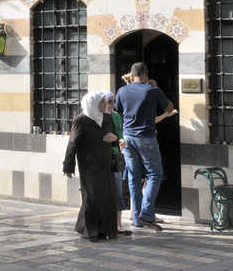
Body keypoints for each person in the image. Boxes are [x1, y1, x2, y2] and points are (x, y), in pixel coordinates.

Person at [116, 62, 175, 232]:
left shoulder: (122, 91)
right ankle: (147, 214)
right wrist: (154, 87)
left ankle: (137, 218)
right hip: (146, 137)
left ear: (131, 75)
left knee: (134, 177)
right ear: (146, 74)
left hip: (128, 137)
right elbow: (170, 107)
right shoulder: (152, 90)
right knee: (154, 174)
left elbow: (119, 109)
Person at [63, 91, 119, 242]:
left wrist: (115, 138)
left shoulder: (107, 118)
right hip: (89, 166)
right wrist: (68, 166)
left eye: (105, 101)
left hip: (106, 164)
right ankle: (91, 231)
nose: (105, 104)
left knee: (107, 196)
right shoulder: (81, 120)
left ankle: (103, 230)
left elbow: (114, 138)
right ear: (93, 104)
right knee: (92, 197)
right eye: (102, 102)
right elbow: (73, 143)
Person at [104, 91, 131, 236]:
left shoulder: (115, 116)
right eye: (110, 101)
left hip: (115, 157)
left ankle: (118, 224)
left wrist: (120, 139)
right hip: (101, 158)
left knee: (117, 189)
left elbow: (120, 133)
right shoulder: (96, 117)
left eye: (114, 101)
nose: (113, 104)